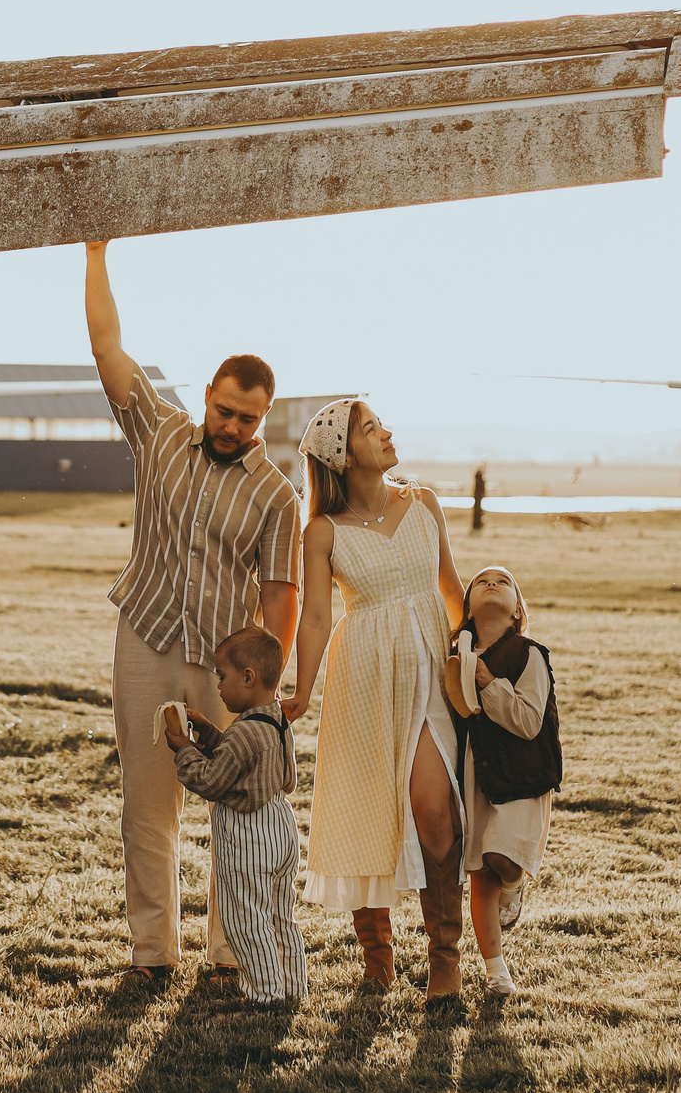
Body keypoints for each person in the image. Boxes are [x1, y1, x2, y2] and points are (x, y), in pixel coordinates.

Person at [85, 240, 302, 988]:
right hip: (144, 636)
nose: (232, 426)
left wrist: (270, 684)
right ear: (206, 391)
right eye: (224, 409)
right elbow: (108, 346)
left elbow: (279, 591)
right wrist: (95, 251)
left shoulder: (277, 494)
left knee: (234, 808)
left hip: (226, 663)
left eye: (248, 418)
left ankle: (228, 951)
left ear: (262, 416)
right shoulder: (160, 432)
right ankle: (153, 953)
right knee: (147, 800)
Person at [284, 398, 468, 999]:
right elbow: (314, 616)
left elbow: (449, 587)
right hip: (363, 675)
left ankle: (445, 958)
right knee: (367, 808)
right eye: (371, 429)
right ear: (342, 454)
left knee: (434, 805)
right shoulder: (321, 532)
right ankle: (378, 958)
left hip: (430, 671)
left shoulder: (422, 502)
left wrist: (481, 654)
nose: (387, 433)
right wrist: (301, 688)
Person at [162, 626, 309, 1006]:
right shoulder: (277, 720)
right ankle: (292, 986)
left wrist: (183, 750)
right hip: (281, 826)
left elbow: (211, 781)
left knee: (247, 920)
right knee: (280, 916)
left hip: (249, 835)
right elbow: (283, 776)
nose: (217, 686)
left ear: (248, 677)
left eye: (222, 677)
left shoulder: (243, 733)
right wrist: (208, 732)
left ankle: (264, 995)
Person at [446, 565, 559, 1000]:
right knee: (479, 873)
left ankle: (515, 883)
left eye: (504, 581)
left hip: (521, 776)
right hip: (476, 778)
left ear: (517, 612)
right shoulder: (457, 653)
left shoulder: (529, 654)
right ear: (469, 608)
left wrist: (489, 684)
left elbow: (530, 720)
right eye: (481, 581)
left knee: (501, 860)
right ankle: (497, 973)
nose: (492, 583)